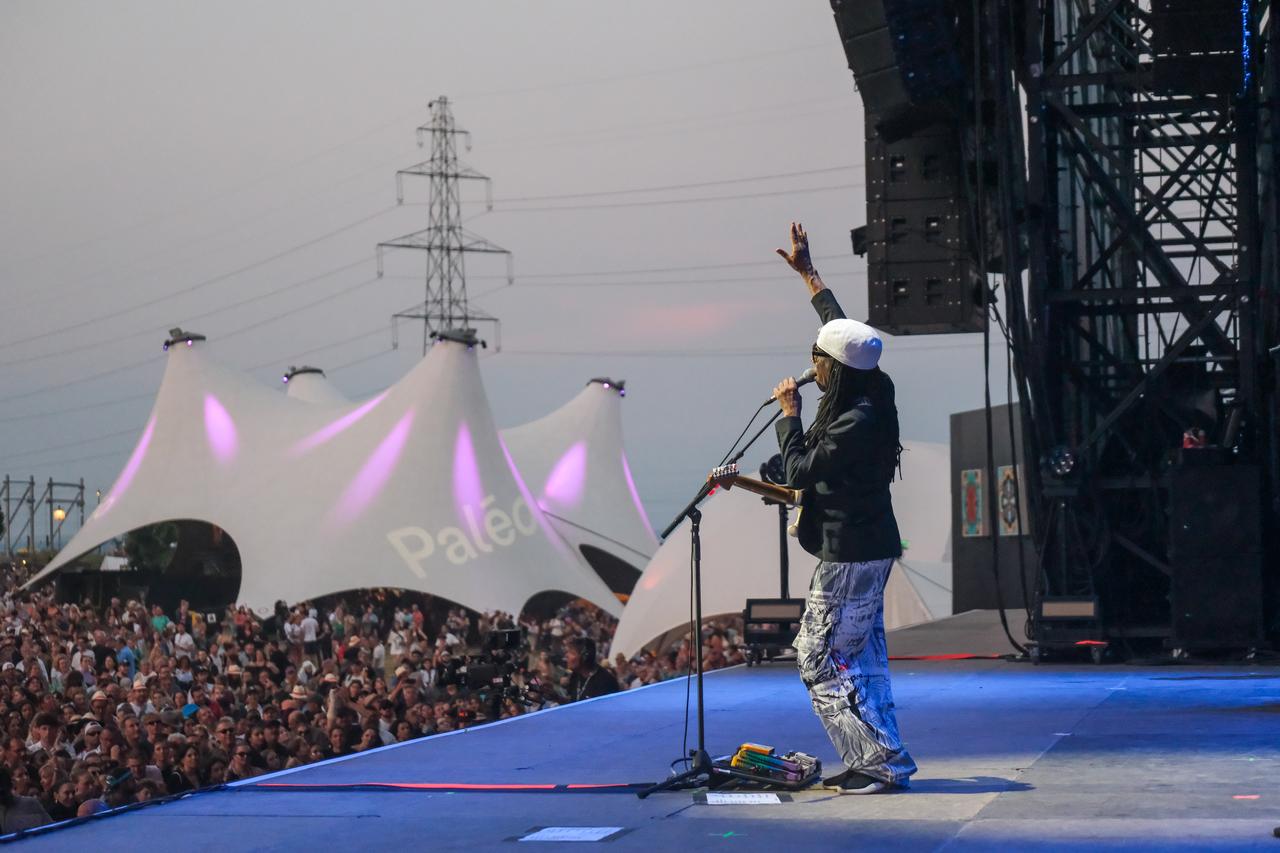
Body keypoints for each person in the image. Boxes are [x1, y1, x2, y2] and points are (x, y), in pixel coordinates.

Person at [772, 222, 917, 795]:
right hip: (866, 546)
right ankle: (884, 758)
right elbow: (844, 331)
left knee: (816, 657)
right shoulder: (871, 388)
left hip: (851, 553)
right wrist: (810, 275)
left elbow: (801, 469)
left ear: (829, 369)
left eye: (817, 359)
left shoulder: (856, 420)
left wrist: (789, 415)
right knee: (863, 659)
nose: (812, 364)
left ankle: (877, 760)